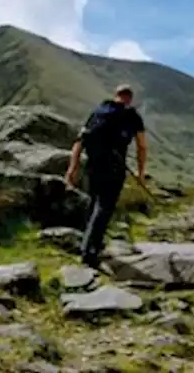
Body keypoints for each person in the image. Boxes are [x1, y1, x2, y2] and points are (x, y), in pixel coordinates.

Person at [65, 84, 148, 269]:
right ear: (129, 98)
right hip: (114, 167)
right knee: (104, 207)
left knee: (93, 203)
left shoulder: (98, 112)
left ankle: (90, 245)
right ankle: (89, 252)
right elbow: (142, 145)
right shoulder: (131, 115)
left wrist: (72, 168)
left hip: (93, 165)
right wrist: (141, 173)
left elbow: (80, 141)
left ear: (116, 95)